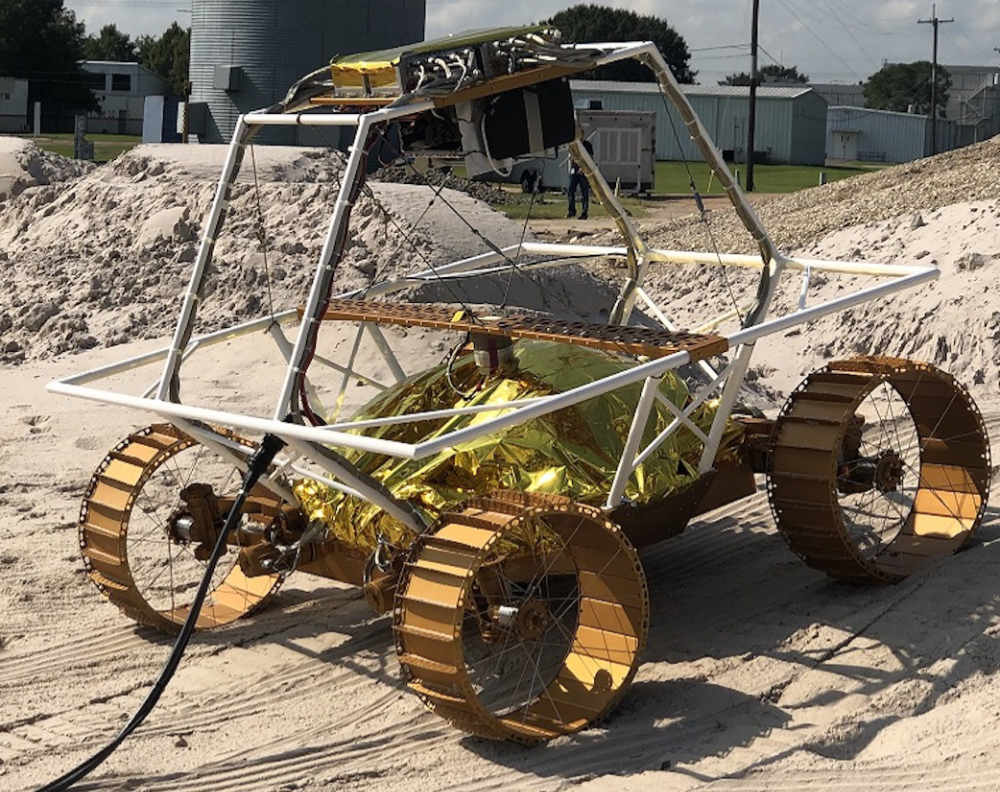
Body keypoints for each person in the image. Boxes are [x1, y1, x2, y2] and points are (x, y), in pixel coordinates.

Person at [567, 139, 594, 220]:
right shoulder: (573, 144)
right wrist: (571, 167)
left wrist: (583, 168)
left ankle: (584, 213)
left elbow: (590, 157)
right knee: (570, 190)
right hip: (574, 170)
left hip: (583, 171)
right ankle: (571, 211)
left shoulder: (587, 145)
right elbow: (571, 156)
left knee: (584, 192)